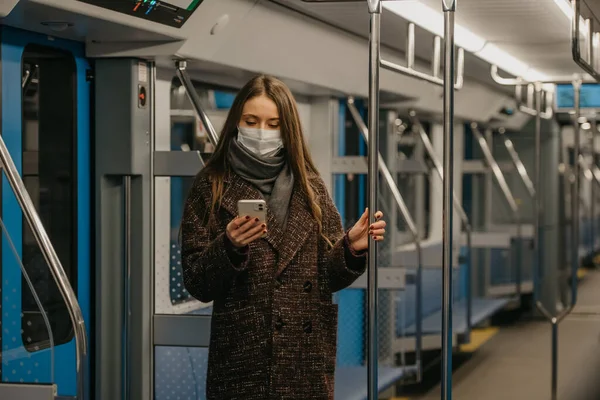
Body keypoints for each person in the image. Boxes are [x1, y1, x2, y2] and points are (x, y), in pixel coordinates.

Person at [181, 75, 386, 400]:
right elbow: (196, 281)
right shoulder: (211, 186)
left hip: (303, 357)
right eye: (251, 121)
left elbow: (326, 276)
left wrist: (350, 249)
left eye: (272, 123)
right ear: (236, 123)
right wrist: (229, 247)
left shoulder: (311, 187)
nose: (261, 131)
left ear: (286, 128)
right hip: (243, 357)